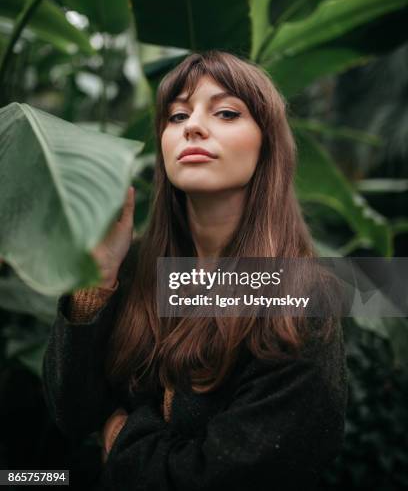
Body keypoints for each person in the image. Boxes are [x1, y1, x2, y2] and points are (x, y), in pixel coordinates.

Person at [42, 51, 348, 490]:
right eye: (177, 115)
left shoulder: (304, 296)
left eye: (226, 112)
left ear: (267, 145)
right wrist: (98, 279)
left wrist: (122, 434)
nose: (193, 126)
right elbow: (72, 415)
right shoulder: (133, 268)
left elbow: (222, 477)